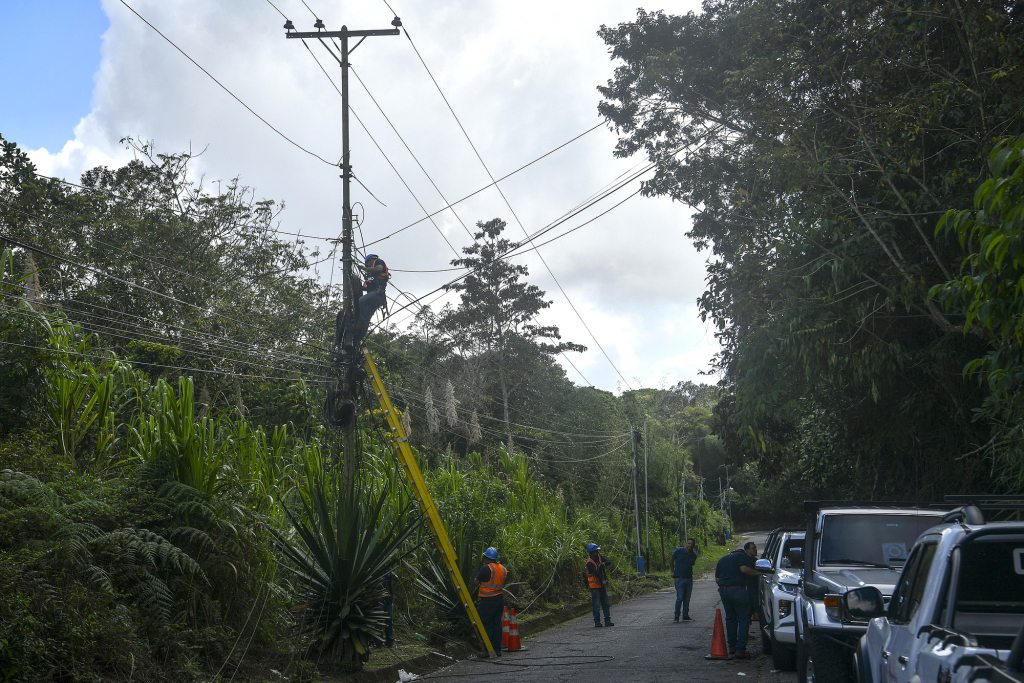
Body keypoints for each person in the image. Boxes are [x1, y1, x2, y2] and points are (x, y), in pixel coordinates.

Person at [715, 541, 765, 658]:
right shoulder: (742, 556)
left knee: (730, 618)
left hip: (723, 590)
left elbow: (718, 579)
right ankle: (740, 649)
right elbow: (744, 569)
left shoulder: (722, 560)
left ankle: (731, 646)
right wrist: (759, 573)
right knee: (743, 619)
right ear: (743, 552)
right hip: (737, 589)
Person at [346, 253, 389, 350]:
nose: (368, 266)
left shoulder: (378, 261)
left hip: (378, 295)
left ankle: (360, 323)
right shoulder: (370, 276)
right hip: (373, 297)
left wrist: (365, 268)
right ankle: (358, 339)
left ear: (371, 260)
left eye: (368, 264)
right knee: (367, 319)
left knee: (362, 300)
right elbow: (365, 288)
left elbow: (378, 269)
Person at [474, 546, 507, 657]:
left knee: (485, 624)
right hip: (499, 599)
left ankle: (488, 650)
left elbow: (476, 582)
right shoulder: (503, 568)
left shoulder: (486, 568)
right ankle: (497, 650)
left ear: (486, 558)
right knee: (497, 624)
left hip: (487, 601)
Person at [586, 543, 614, 628]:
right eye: (596, 551)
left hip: (602, 585)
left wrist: (604, 564)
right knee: (596, 604)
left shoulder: (599, 557)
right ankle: (597, 622)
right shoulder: (589, 563)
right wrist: (602, 579)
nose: (597, 552)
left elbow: (608, 561)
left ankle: (607, 620)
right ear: (592, 553)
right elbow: (596, 573)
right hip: (595, 587)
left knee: (606, 603)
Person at [671, 538, 699, 622]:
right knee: (680, 597)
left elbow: (691, 564)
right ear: (686, 544)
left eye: (691, 544)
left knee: (687, 598)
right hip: (679, 578)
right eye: (688, 543)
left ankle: (685, 615)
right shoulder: (679, 551)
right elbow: (671, 559)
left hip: (688, 578)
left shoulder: (693, 555)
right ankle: (676, 616)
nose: (690, 545)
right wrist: (672, 571)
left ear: (693, 545)